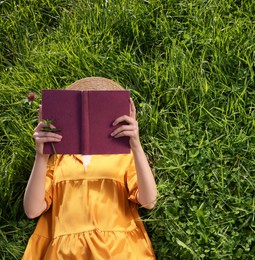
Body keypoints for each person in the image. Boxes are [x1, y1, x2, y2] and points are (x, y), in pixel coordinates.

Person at [22, 77, 157, 259]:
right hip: (66, 253)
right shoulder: (59, 159)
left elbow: (149, 201)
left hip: (119, 251)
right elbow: (32, 210)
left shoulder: (123, 155)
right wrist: (41, 155)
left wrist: (136, 146)